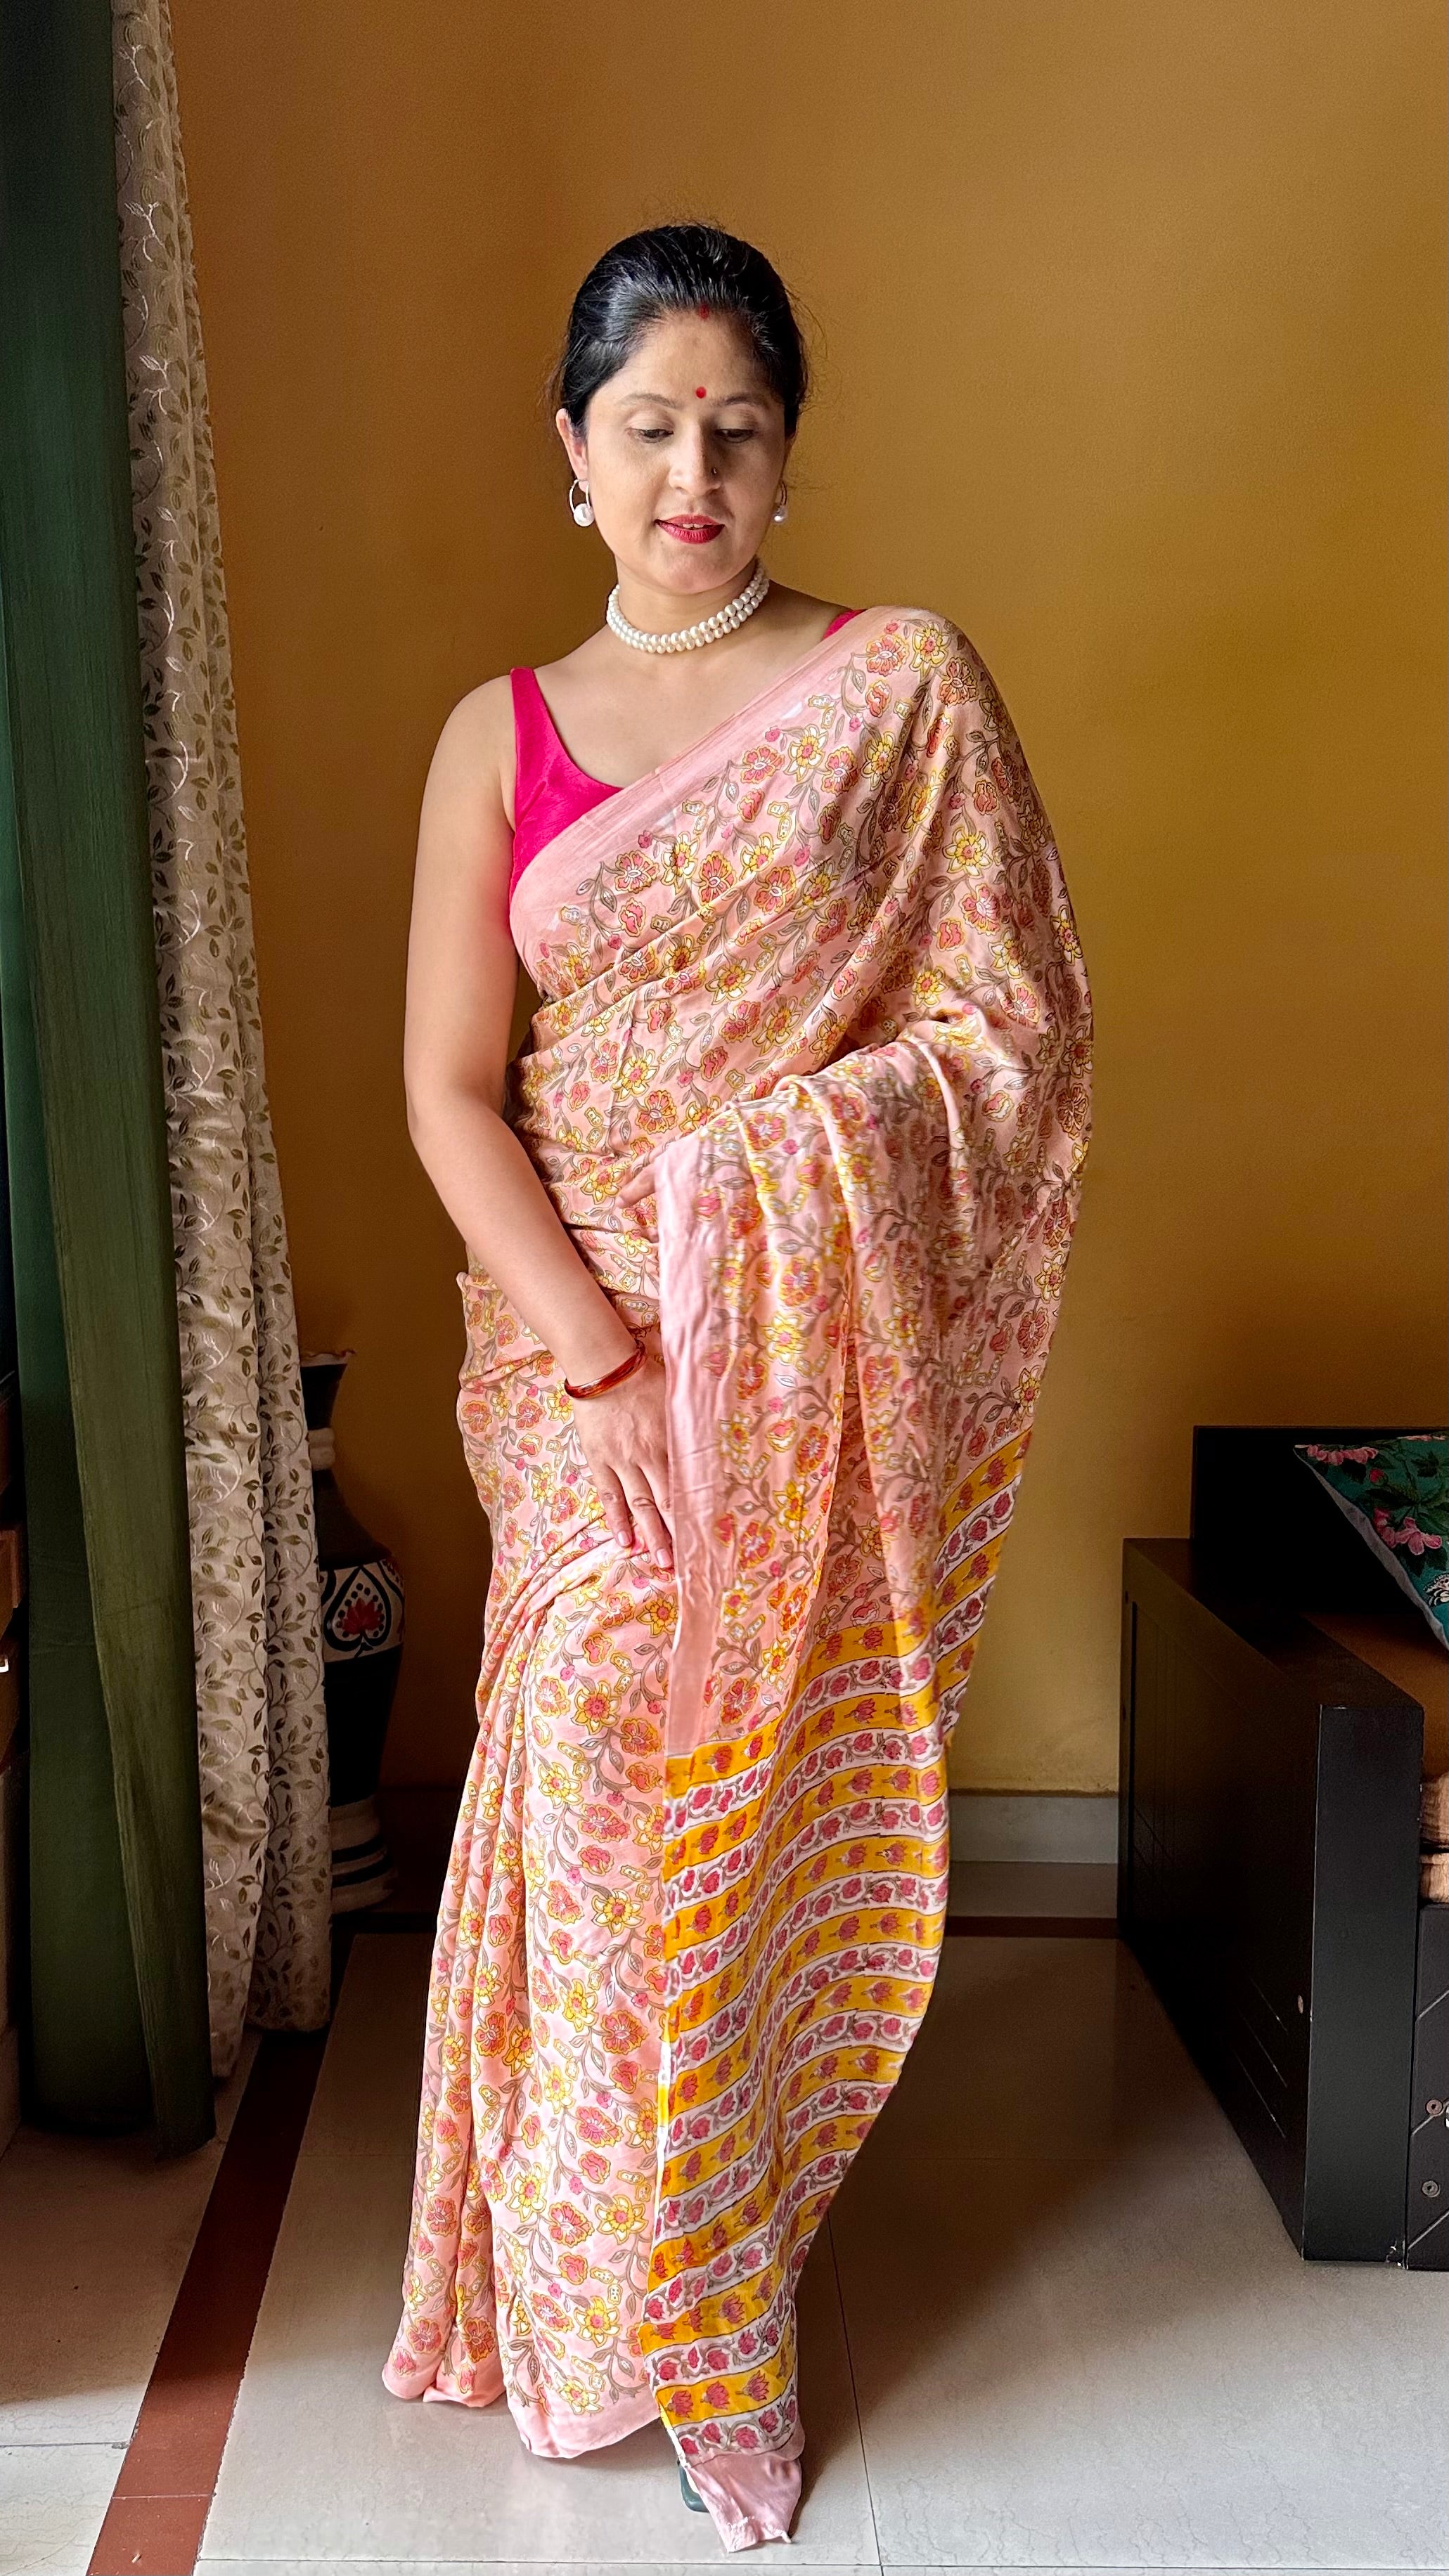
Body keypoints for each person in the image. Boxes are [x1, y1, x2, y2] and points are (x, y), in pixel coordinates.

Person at [383, 220, 1093, 2553]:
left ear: (789, 457)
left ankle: (714, 2318)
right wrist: (603, 1353)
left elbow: (1012, 1034)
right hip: (575, 1347)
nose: (693, 473)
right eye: (650, 427)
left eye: (739, 429)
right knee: (603, 1767)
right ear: (572, 453)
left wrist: (769, 1199)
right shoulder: (498, 735)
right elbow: (450, 1091)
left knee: (750, 1799)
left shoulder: (899, 690)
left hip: (804, 1348)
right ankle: (594, 2278)